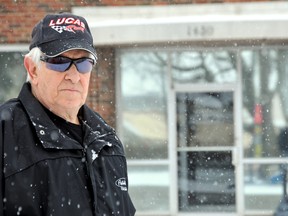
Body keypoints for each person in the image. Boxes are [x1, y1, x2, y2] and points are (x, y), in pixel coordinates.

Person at [0, 13, 136, 216]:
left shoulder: (106, 141)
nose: (74, 76)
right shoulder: (6, 134)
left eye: (84, 63)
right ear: (33, 69)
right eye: (59, 60)